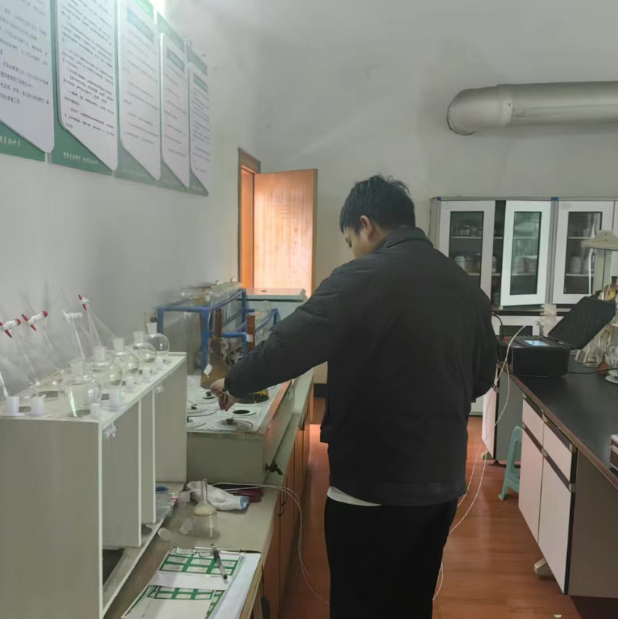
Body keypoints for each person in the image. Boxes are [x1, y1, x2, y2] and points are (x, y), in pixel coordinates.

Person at [211, 175, 497, 619]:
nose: (352, 251)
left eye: (349, 242)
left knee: (358, 605)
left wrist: (235, 381)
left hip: (370, 486)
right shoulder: (466, 288)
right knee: (412, 604)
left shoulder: (360, 278)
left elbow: (290, 347)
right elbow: (481, 380)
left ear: (366, 225)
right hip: (439, 488)